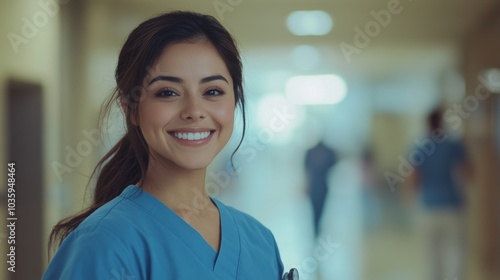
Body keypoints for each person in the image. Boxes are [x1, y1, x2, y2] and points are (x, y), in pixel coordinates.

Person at [43, 11, 284, 279]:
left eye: (212, 91)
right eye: (167, 93)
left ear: (235, 102)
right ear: (131, 110)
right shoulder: (104, 245)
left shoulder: (259, 241)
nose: (194, 111)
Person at [409, 107, 471, 280]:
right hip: (452, 205)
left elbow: (414, 181)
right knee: (456, 252)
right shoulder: (453, 145)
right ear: (442, 122)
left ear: (427, 124)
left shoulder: (420, 148)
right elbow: (468, 173)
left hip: (428, 206)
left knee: (431, 255)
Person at [304, 140, 337, 237]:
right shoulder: (311, 152)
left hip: (321, 187)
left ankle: (317, 228)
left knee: (320, 209)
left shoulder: (327, 152)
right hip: (316, 188)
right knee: (315, 209)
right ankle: (316, 228)